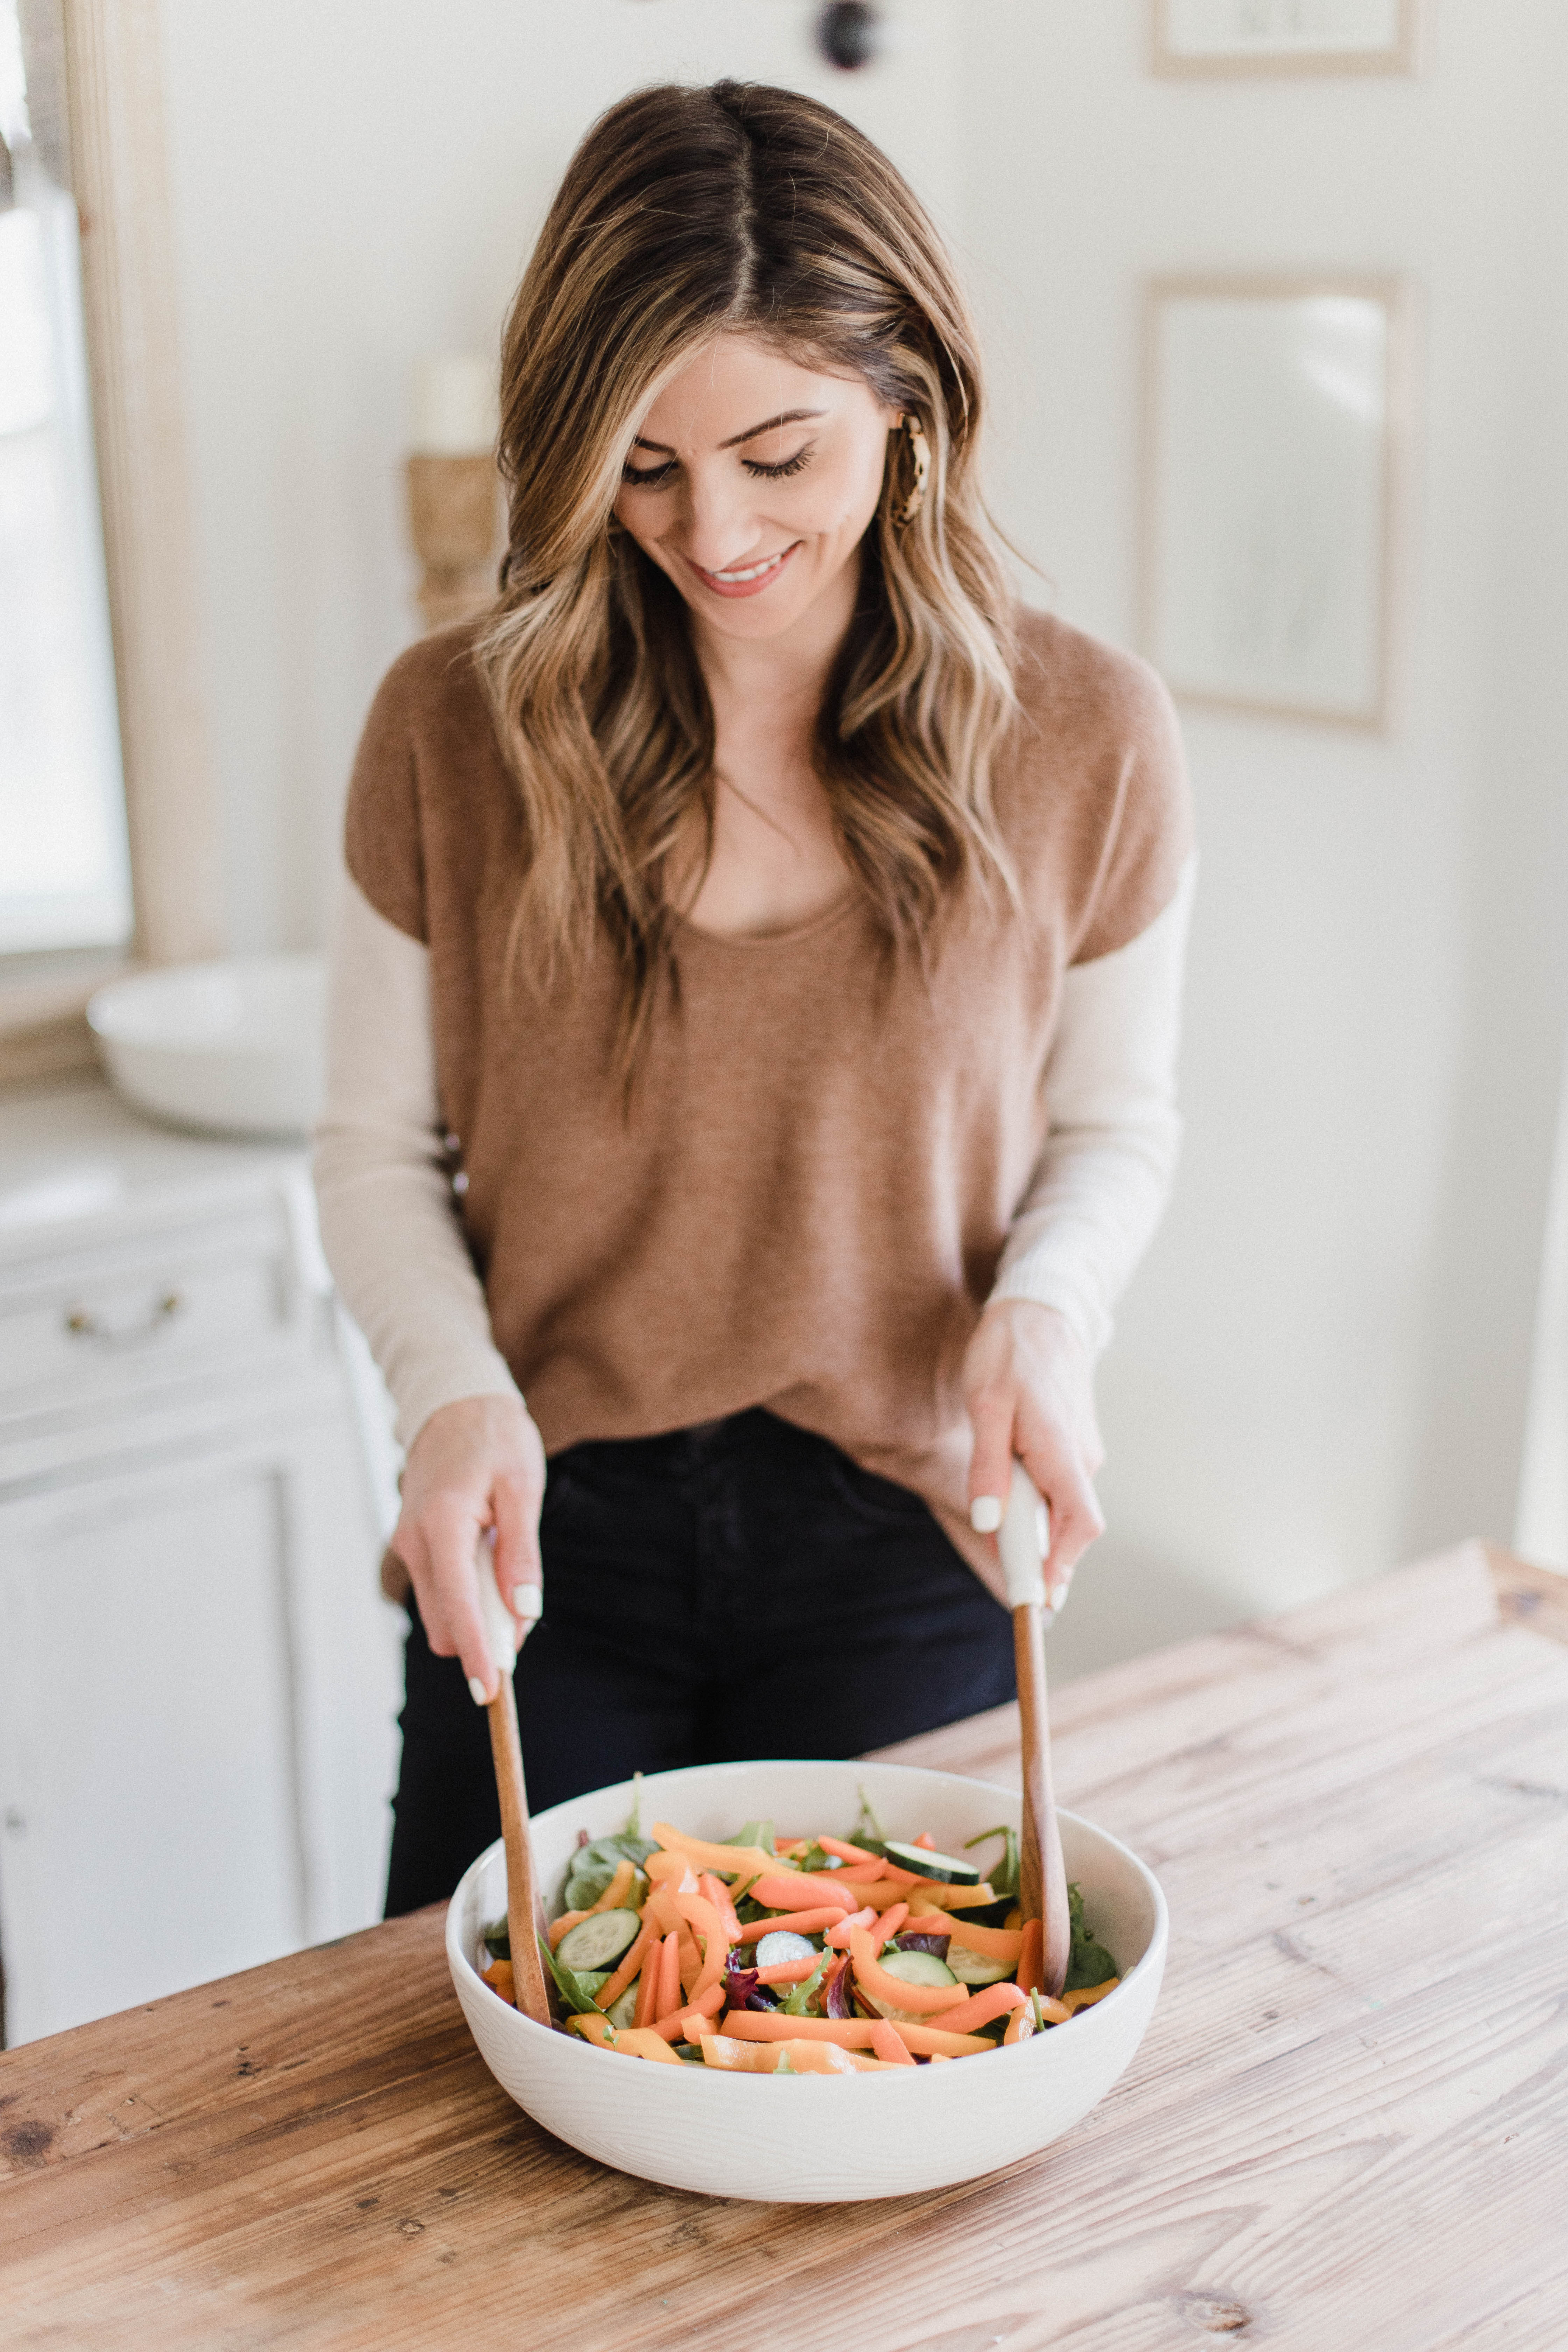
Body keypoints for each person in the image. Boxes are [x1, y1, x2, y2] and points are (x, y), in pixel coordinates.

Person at [315, 80, 1195, 1916]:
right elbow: (377, 1148)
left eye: (778, 455)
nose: (711, 529)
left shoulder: (1090, 737)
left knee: (883, 2081)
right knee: (467, 2111)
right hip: (548, 1523)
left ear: (908, 396)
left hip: (902, 1535)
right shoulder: (446, 732)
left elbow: (1115, 1126)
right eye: (644, 463)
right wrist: (446, 1399)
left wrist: (1048, 1313)